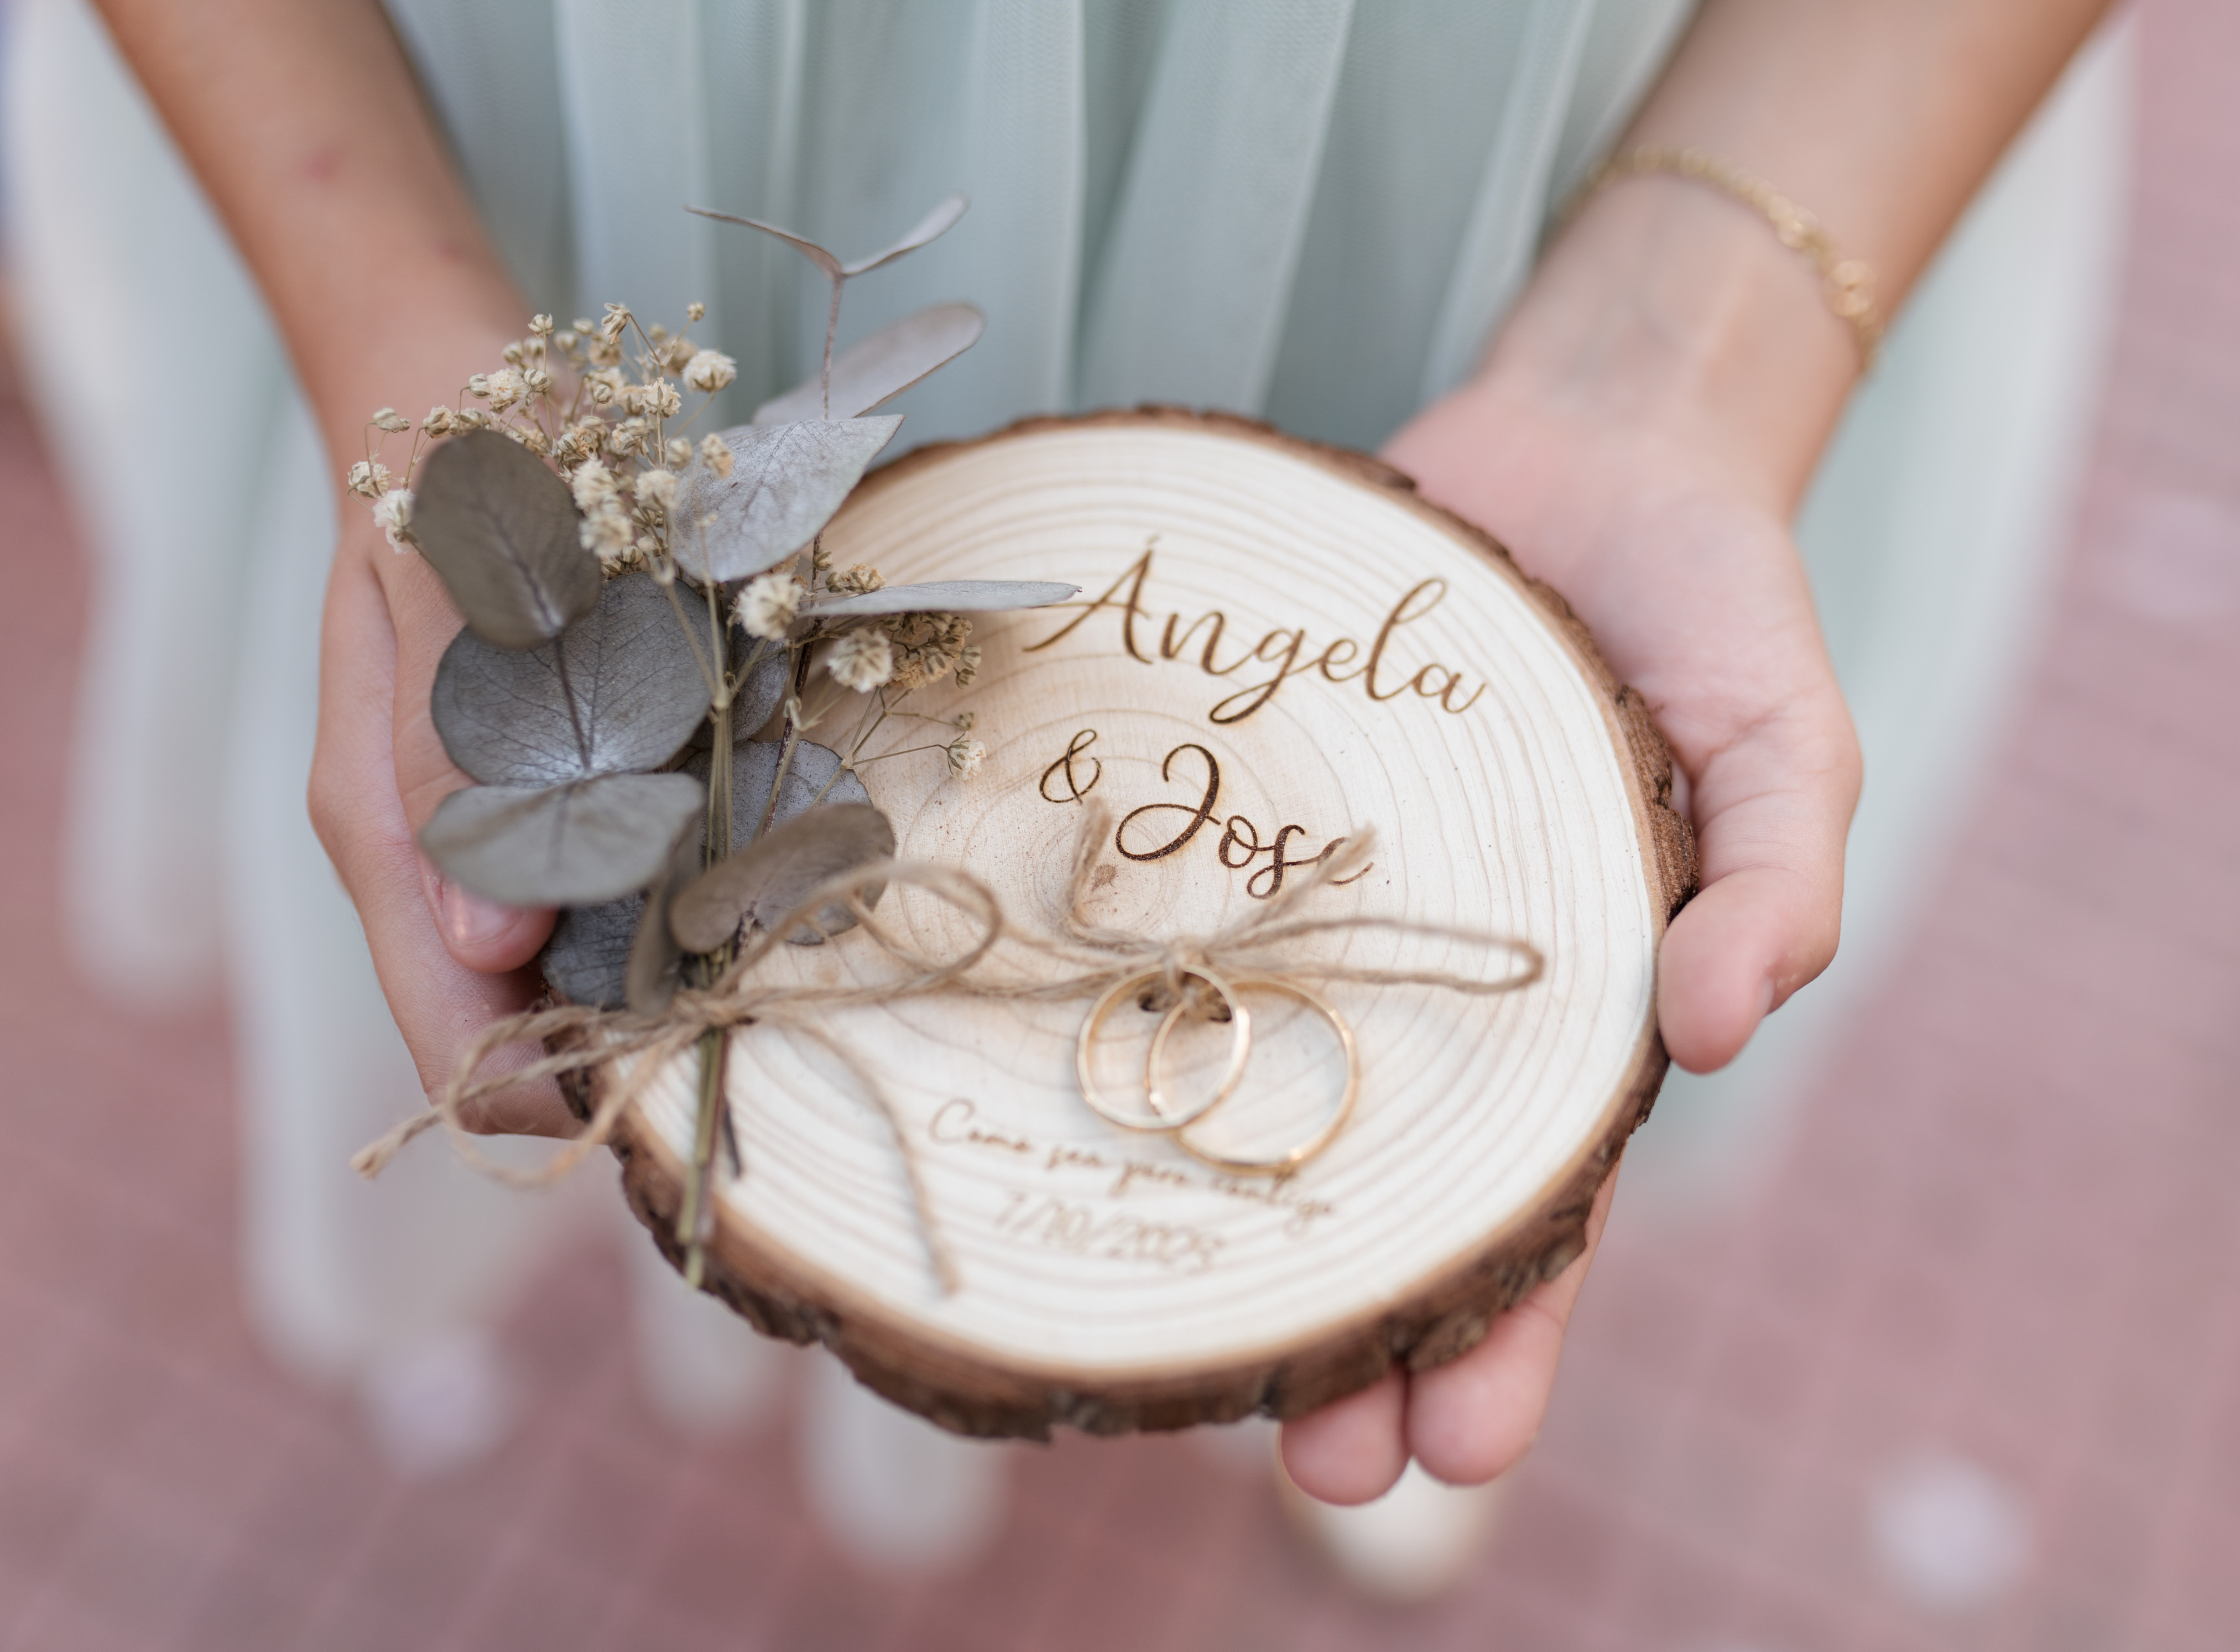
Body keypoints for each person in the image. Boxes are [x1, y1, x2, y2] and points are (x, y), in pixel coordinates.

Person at [13, 0, 2122, 1559]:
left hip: (1566, 129)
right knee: (700, 937)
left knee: (1453, 1042)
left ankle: (1375, 1243)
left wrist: (1685, 340)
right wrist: (388, 300)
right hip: (563, 119)